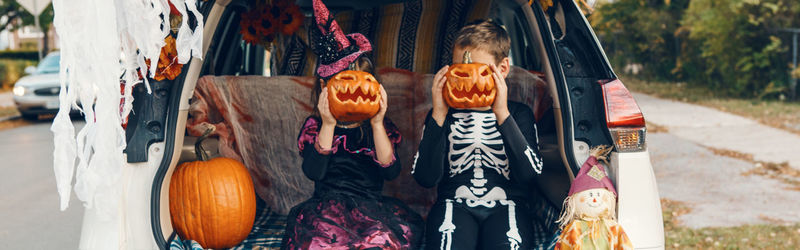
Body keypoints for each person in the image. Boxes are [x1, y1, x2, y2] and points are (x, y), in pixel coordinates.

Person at [281, 0, 422, 249]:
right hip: (326, 208)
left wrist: (377, 123)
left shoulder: (378, 128)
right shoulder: (317, 126)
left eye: (364, 81)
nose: (355, 89)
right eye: (346, 81)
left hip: (372, 207)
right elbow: (314, 172)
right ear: (325, 88)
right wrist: (327, 123)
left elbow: (390, 172)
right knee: (319, 241)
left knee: (379, 240)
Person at [412, 19, 545, 250]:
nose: (467, 80)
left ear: (502, 69)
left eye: (477, 71)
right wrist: (439, 116)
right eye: (459, 71)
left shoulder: (518, 114)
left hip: (508, 204)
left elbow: (529, 174)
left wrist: (502, 114)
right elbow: (425, 178)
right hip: (454, 203)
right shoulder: (442, 115)